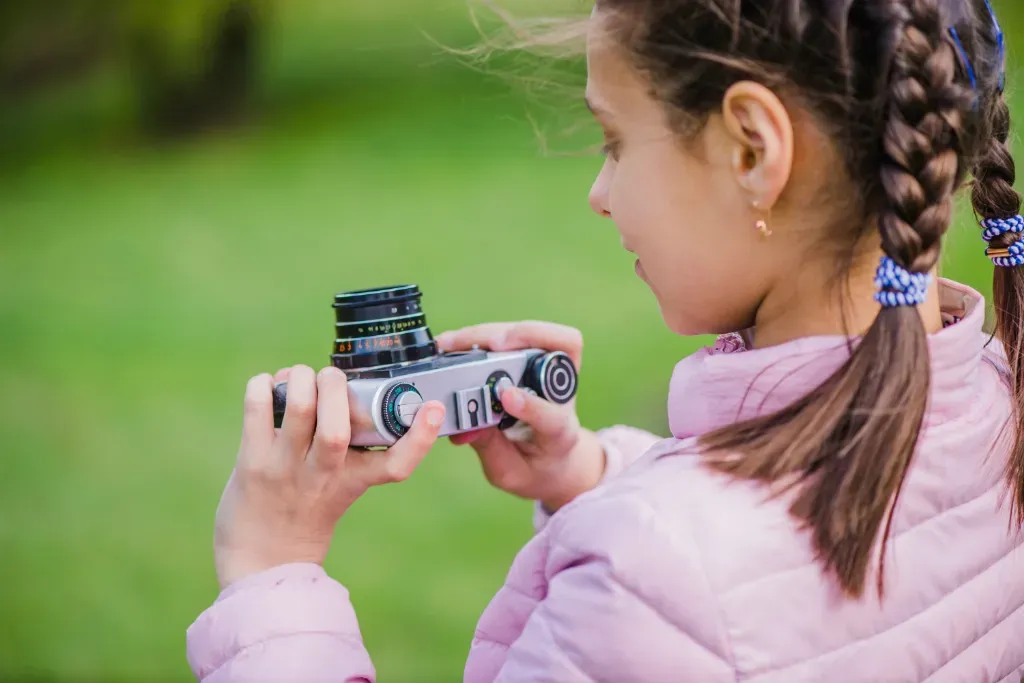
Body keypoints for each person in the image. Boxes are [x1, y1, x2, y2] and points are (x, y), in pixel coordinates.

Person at [186, 0, 1024, 680]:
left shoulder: (651, 577)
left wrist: (273, 577)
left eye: (616, 141)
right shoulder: (998, 400)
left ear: (752, 150)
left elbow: (707, 588)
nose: (599, 192)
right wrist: (590, 476)